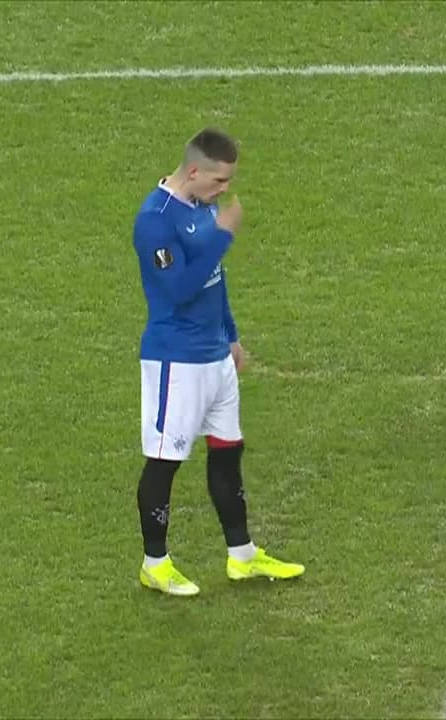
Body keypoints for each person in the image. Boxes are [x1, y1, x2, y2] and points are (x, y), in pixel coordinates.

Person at [131, 127, 304, 596]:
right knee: (165, 461)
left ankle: (242, 556)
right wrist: (221, 237)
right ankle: (155, 563)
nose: (225, 191)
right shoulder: (155, 220)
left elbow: (214, 280)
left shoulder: (201, 207)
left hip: (214, 357)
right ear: (193, 171)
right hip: (177, 360)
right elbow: (177, 290)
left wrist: (231, 335)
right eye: (220, 181)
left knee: (228, 453)